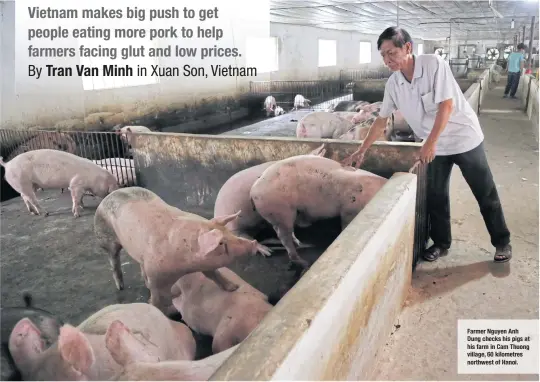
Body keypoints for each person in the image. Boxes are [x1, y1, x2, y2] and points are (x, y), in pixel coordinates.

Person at [342, 26, 512, 263]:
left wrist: (429, 143)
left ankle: (502, 241)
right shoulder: (393, 84)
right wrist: (361, 150)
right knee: (435, 195)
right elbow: (381, 120)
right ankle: (441, 243)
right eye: (382, 55)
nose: (387, 59)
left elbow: (446, 106)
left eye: (391, 53)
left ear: (408, 48)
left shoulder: (433, 64)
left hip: (464, 139)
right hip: (435, 145)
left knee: (484, 191)